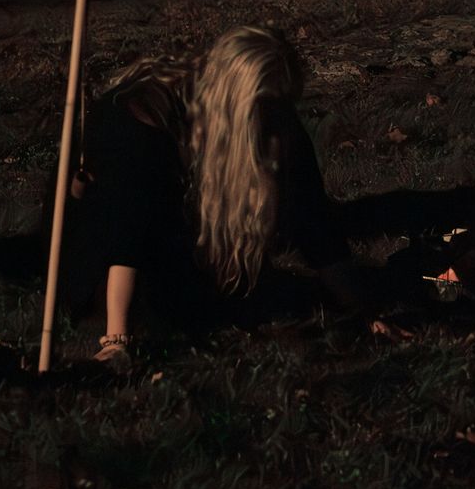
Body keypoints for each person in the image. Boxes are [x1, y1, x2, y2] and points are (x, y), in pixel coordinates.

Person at [55, 25, 364, 362]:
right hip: (105, 261)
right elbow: (126, 230)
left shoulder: (271, 114)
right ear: (239, 101)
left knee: (251, 297)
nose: (277, 123)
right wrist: (117, 340)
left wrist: (361, 310)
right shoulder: (142, 118)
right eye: (268, 110)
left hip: (182, 249)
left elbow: (313, 214)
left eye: (282, 107)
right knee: (183, 303)